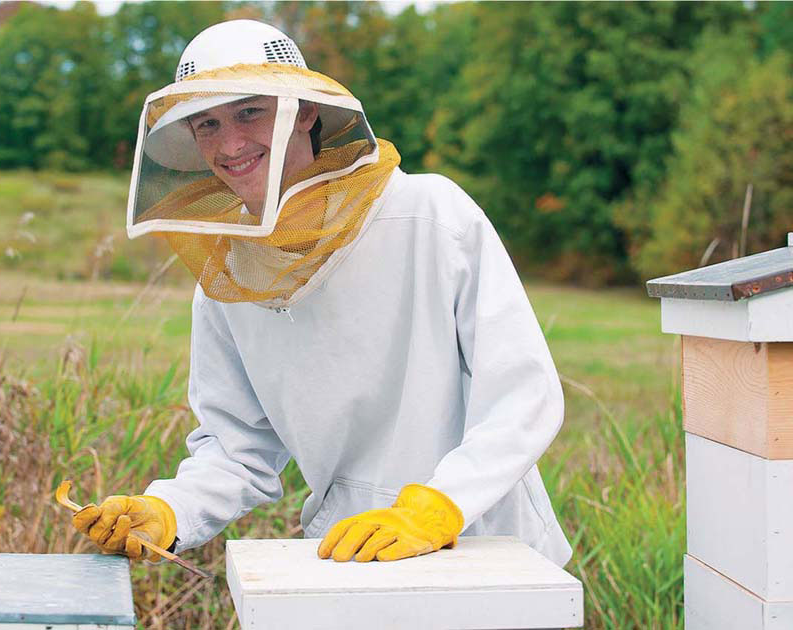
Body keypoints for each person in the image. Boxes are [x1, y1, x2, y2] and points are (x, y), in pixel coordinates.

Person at [71, 19, 572, 567]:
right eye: (207, 124)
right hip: (347, 554)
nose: (230, 143)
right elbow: (238, 449)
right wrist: (167, 511)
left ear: (305, 111)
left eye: (249, 112)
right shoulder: (228, 279)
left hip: (486, 541)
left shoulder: (430, 215)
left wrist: (440, 506)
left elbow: (522, 394)